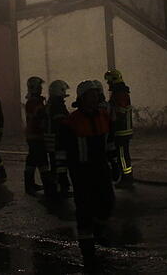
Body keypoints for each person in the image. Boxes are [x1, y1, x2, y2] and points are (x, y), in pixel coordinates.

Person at [56, 80, 120, 271]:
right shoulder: (71, 122)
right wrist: (61, 174)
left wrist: (114, 162)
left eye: (96, 95)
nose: (95, 98)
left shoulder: (103, 117)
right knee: (84, 209)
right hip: (81, 171)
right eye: (91, 95)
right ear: (82, 98)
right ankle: (87, 251)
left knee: (107, 202)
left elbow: (109, 143)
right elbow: (61, 150)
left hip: (101, 168)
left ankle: (99, 229)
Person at [43, 79, 72, 200]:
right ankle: (62, 187)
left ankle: (53, 188)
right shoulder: (58, 105)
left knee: (55, 164)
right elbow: (63, 122)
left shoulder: (51, 104)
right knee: (60, 164)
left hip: (51, 140)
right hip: (58, 139)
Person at [105, 69, 134, 188]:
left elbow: (120, 112)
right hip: (122, 130)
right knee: (123, 154)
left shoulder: (119, 94)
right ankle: (126, 177)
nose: (108, 84)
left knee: (122, 155)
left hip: (121, 131)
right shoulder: (120, 92)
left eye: (109, 81)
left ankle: (127, 178)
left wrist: (111, 113)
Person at [23, 76, 48, 195]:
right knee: (40, 161)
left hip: (34, 136)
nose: (41, 89)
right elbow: (39, 119)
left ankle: (30, 185)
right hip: (36, 136)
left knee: (33, 161)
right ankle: (46, 186)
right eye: (39, 87)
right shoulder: (33, 103)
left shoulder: (35, 101)